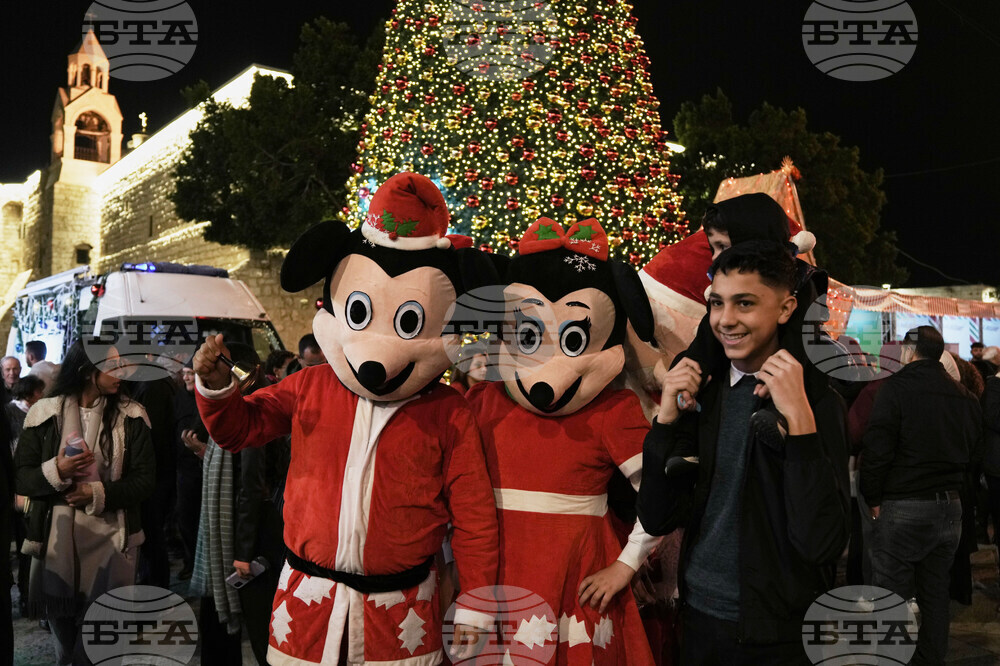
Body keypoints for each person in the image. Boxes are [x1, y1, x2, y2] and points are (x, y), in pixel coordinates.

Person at [637, 241, 850, 663]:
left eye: (745, 303)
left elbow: (822, 543)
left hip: (779, 634)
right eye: (717, 303)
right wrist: (665, 423)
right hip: (699, 620)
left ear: (786, 308)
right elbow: (657, 516)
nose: (726, 320)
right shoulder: (703, 394)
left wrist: (800, 422)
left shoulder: (818, 403)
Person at [468, 217, 660, 664]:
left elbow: (661, 493)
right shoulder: (484, 403)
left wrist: (626, 565)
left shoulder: (612, 412)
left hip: (578, 577)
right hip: (493, 573)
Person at [14, 339, 155, 665]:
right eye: (113, 365)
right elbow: (22, 476)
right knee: (64, 636)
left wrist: (96, 493)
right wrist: (58, 470)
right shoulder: (44, 413)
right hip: (56, 538)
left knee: (101, 641)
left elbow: (145, 480)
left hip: (112, 538)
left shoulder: (131, 415)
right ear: (87, 370)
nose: (123, 372)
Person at [861, 326, 982, 665]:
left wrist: (872, 498)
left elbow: (877, 450)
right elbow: (975, 452)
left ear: (909, 351)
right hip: (950, 506)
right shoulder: (965, 396)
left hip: (904, 503)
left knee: (891, 593)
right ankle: (931, 657)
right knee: (936, 591)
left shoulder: (895, 388)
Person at [173, 363, 206, 579]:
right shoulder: (180, 399)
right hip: (184, 469)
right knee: (185, 518)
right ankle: (190, 562)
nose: (186, 378)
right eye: (184, 374)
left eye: (191, 374)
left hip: (202, 468)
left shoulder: (207, 399)